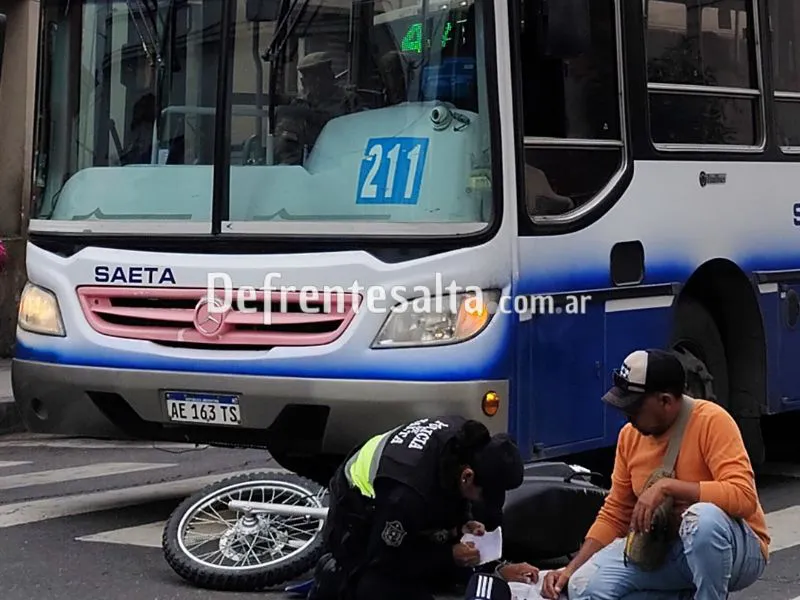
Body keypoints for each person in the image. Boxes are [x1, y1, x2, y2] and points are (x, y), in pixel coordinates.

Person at [540, 348, 770, 600]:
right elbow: (615, 513)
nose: (627, 415)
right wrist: (570, 569)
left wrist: (668, 487)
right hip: (666, 548)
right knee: (584, 587)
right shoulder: (629, 436)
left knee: (702, 519)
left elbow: (744, 497)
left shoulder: (712, 421)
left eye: (635, 407)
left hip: (737, 549)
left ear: (666, 401)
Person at [307, 415, 539, 600]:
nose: (483, 502)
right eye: (484, 495)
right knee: (382, 585)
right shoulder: (405, 497)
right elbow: (387, 558)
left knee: (448, 559)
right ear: (467, 476)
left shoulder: (466, 442)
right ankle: (337, 575)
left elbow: (455, 501)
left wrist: (463, 527)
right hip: (360, 509)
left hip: (408, 493)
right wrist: (448, 555)